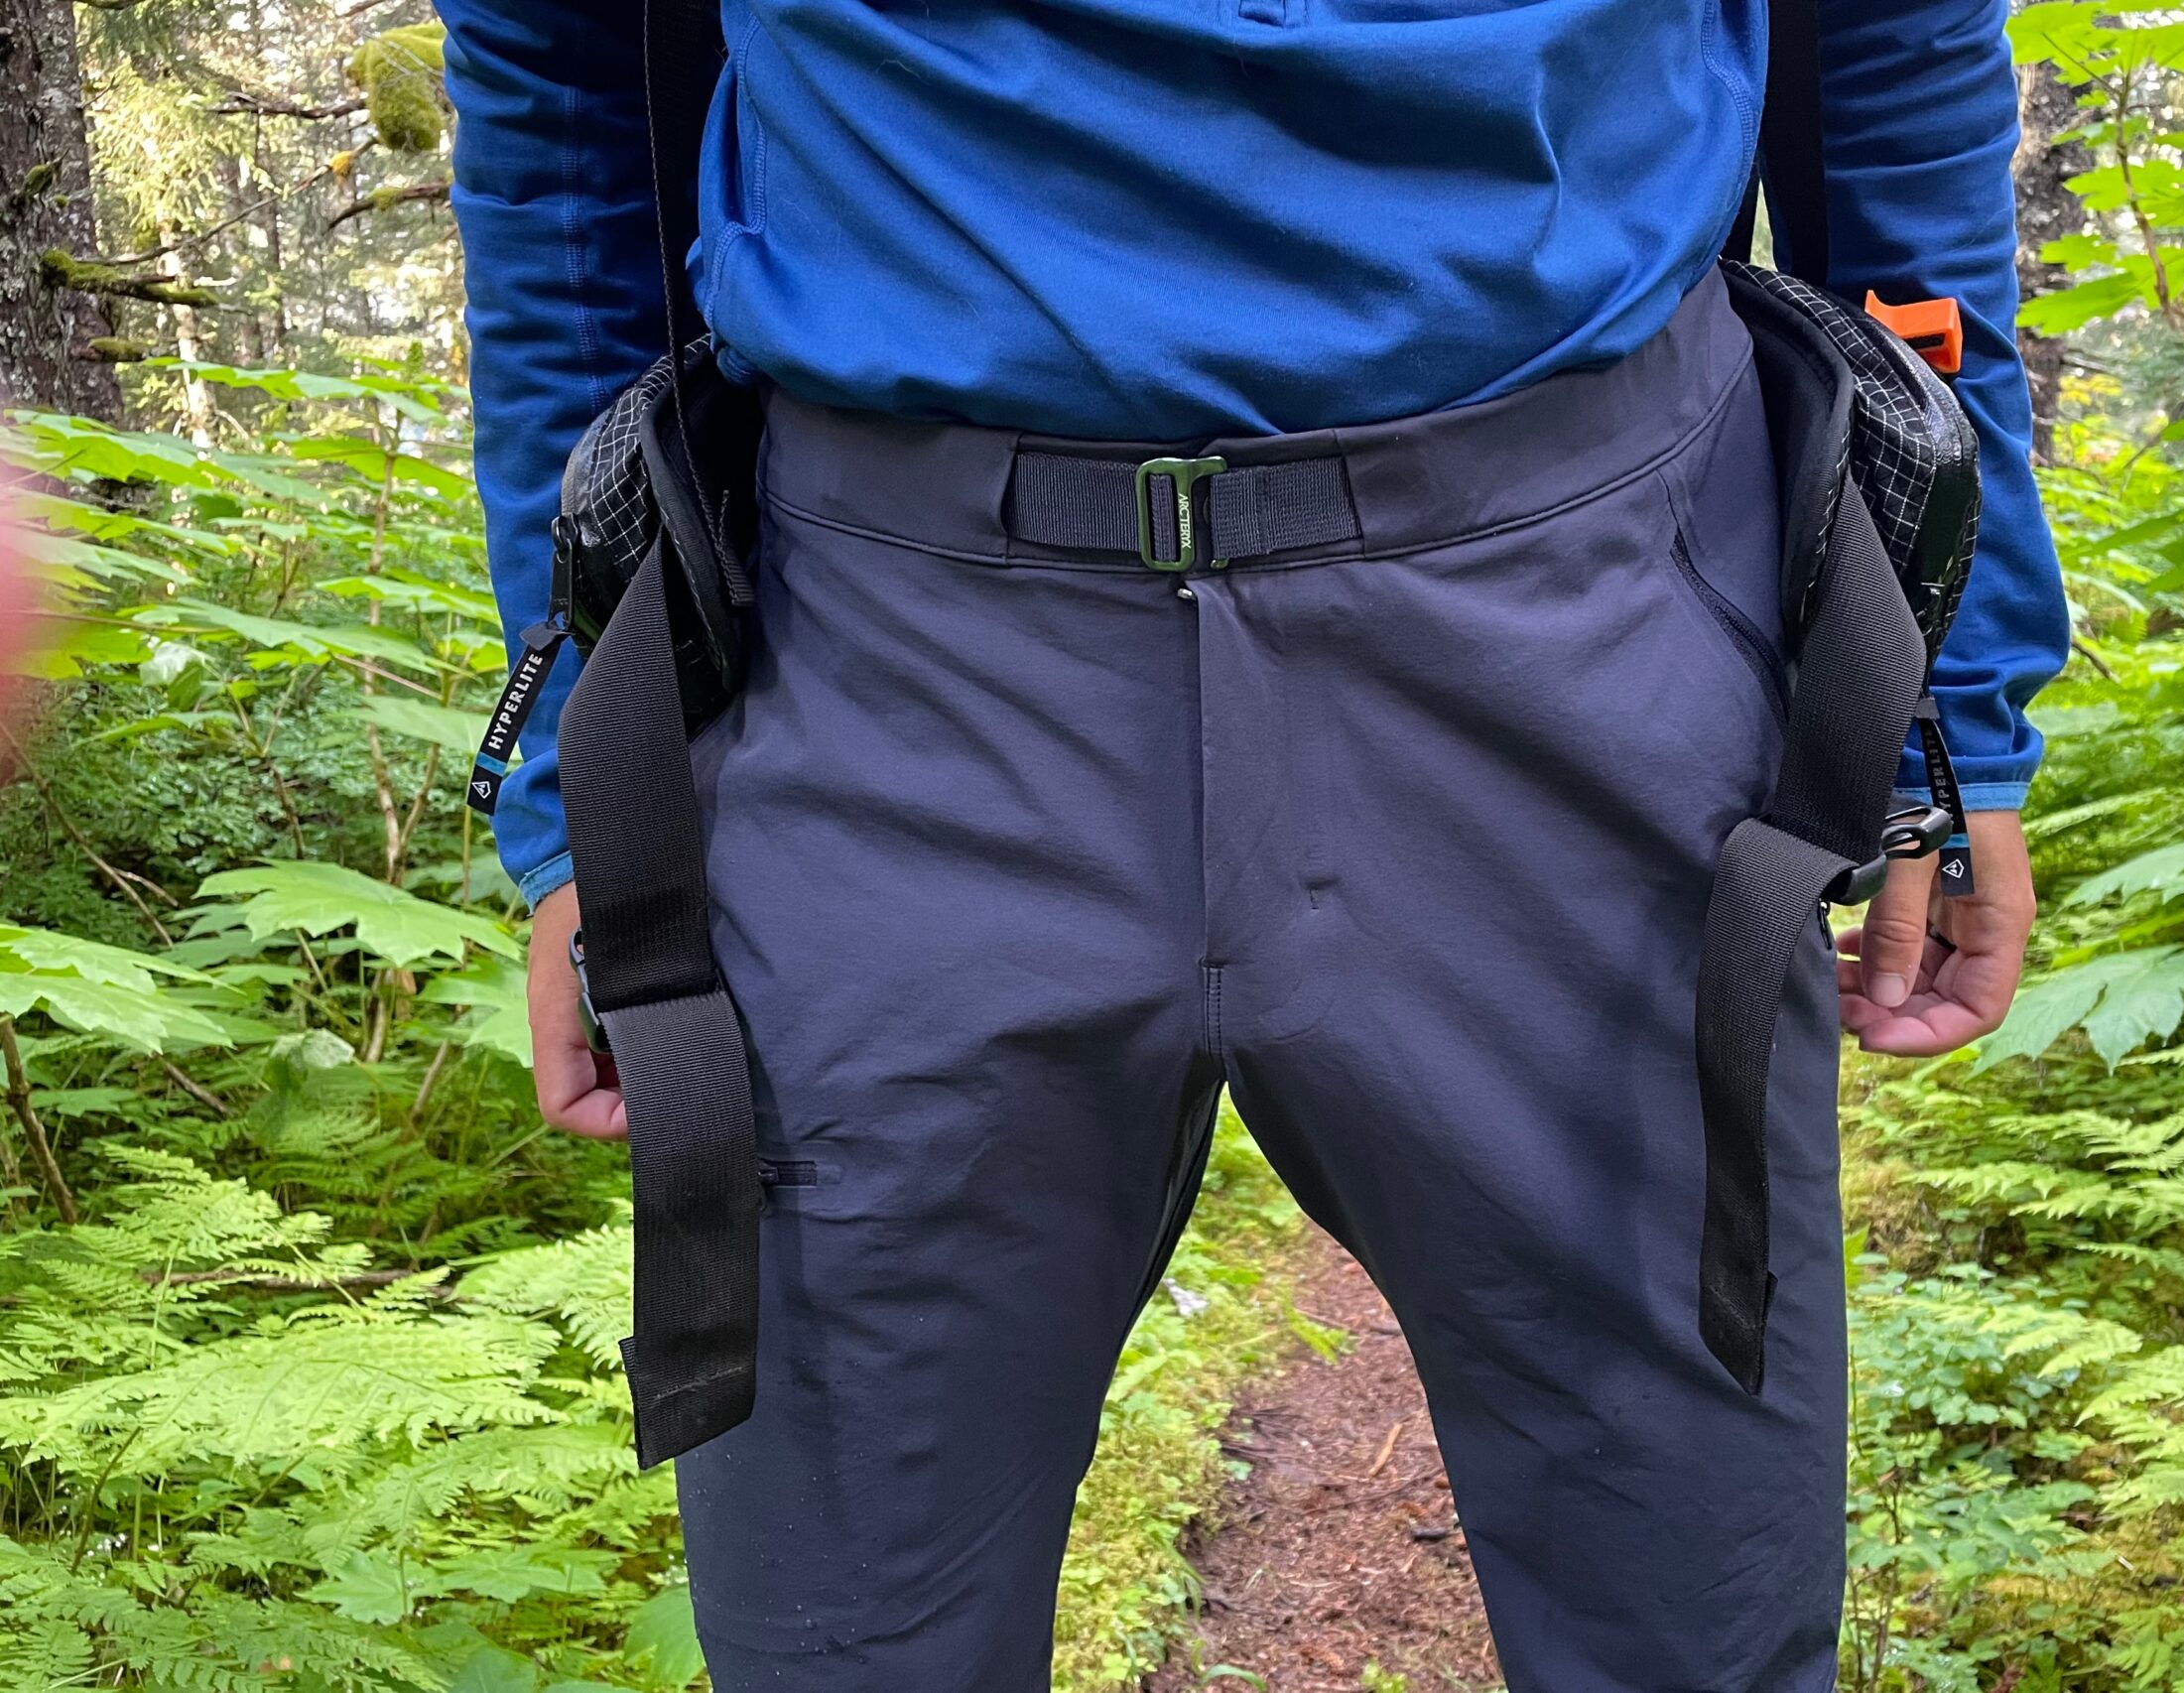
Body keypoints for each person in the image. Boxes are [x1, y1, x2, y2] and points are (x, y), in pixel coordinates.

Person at [436, 0, 2067, 1686]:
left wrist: (1954, 678)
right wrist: (583, 771)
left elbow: (1886, 33)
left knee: (1699, 1623)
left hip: (1585, 622)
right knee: (844, 1637)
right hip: (881, 664)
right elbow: (567, 60)